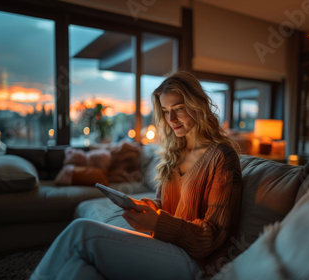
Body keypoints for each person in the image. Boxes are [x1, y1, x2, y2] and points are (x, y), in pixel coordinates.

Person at [30, 71, 242, 280]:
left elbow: (212, 237)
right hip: (165, 245)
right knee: (77, 270)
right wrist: (148, 207)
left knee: (81, 231)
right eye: (165, 110)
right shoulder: (175, 153)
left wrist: (158, 224)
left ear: (198, 106)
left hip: (195, 262)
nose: (171, 119)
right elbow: (168, 206)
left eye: (179, 108)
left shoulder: (222, 158)